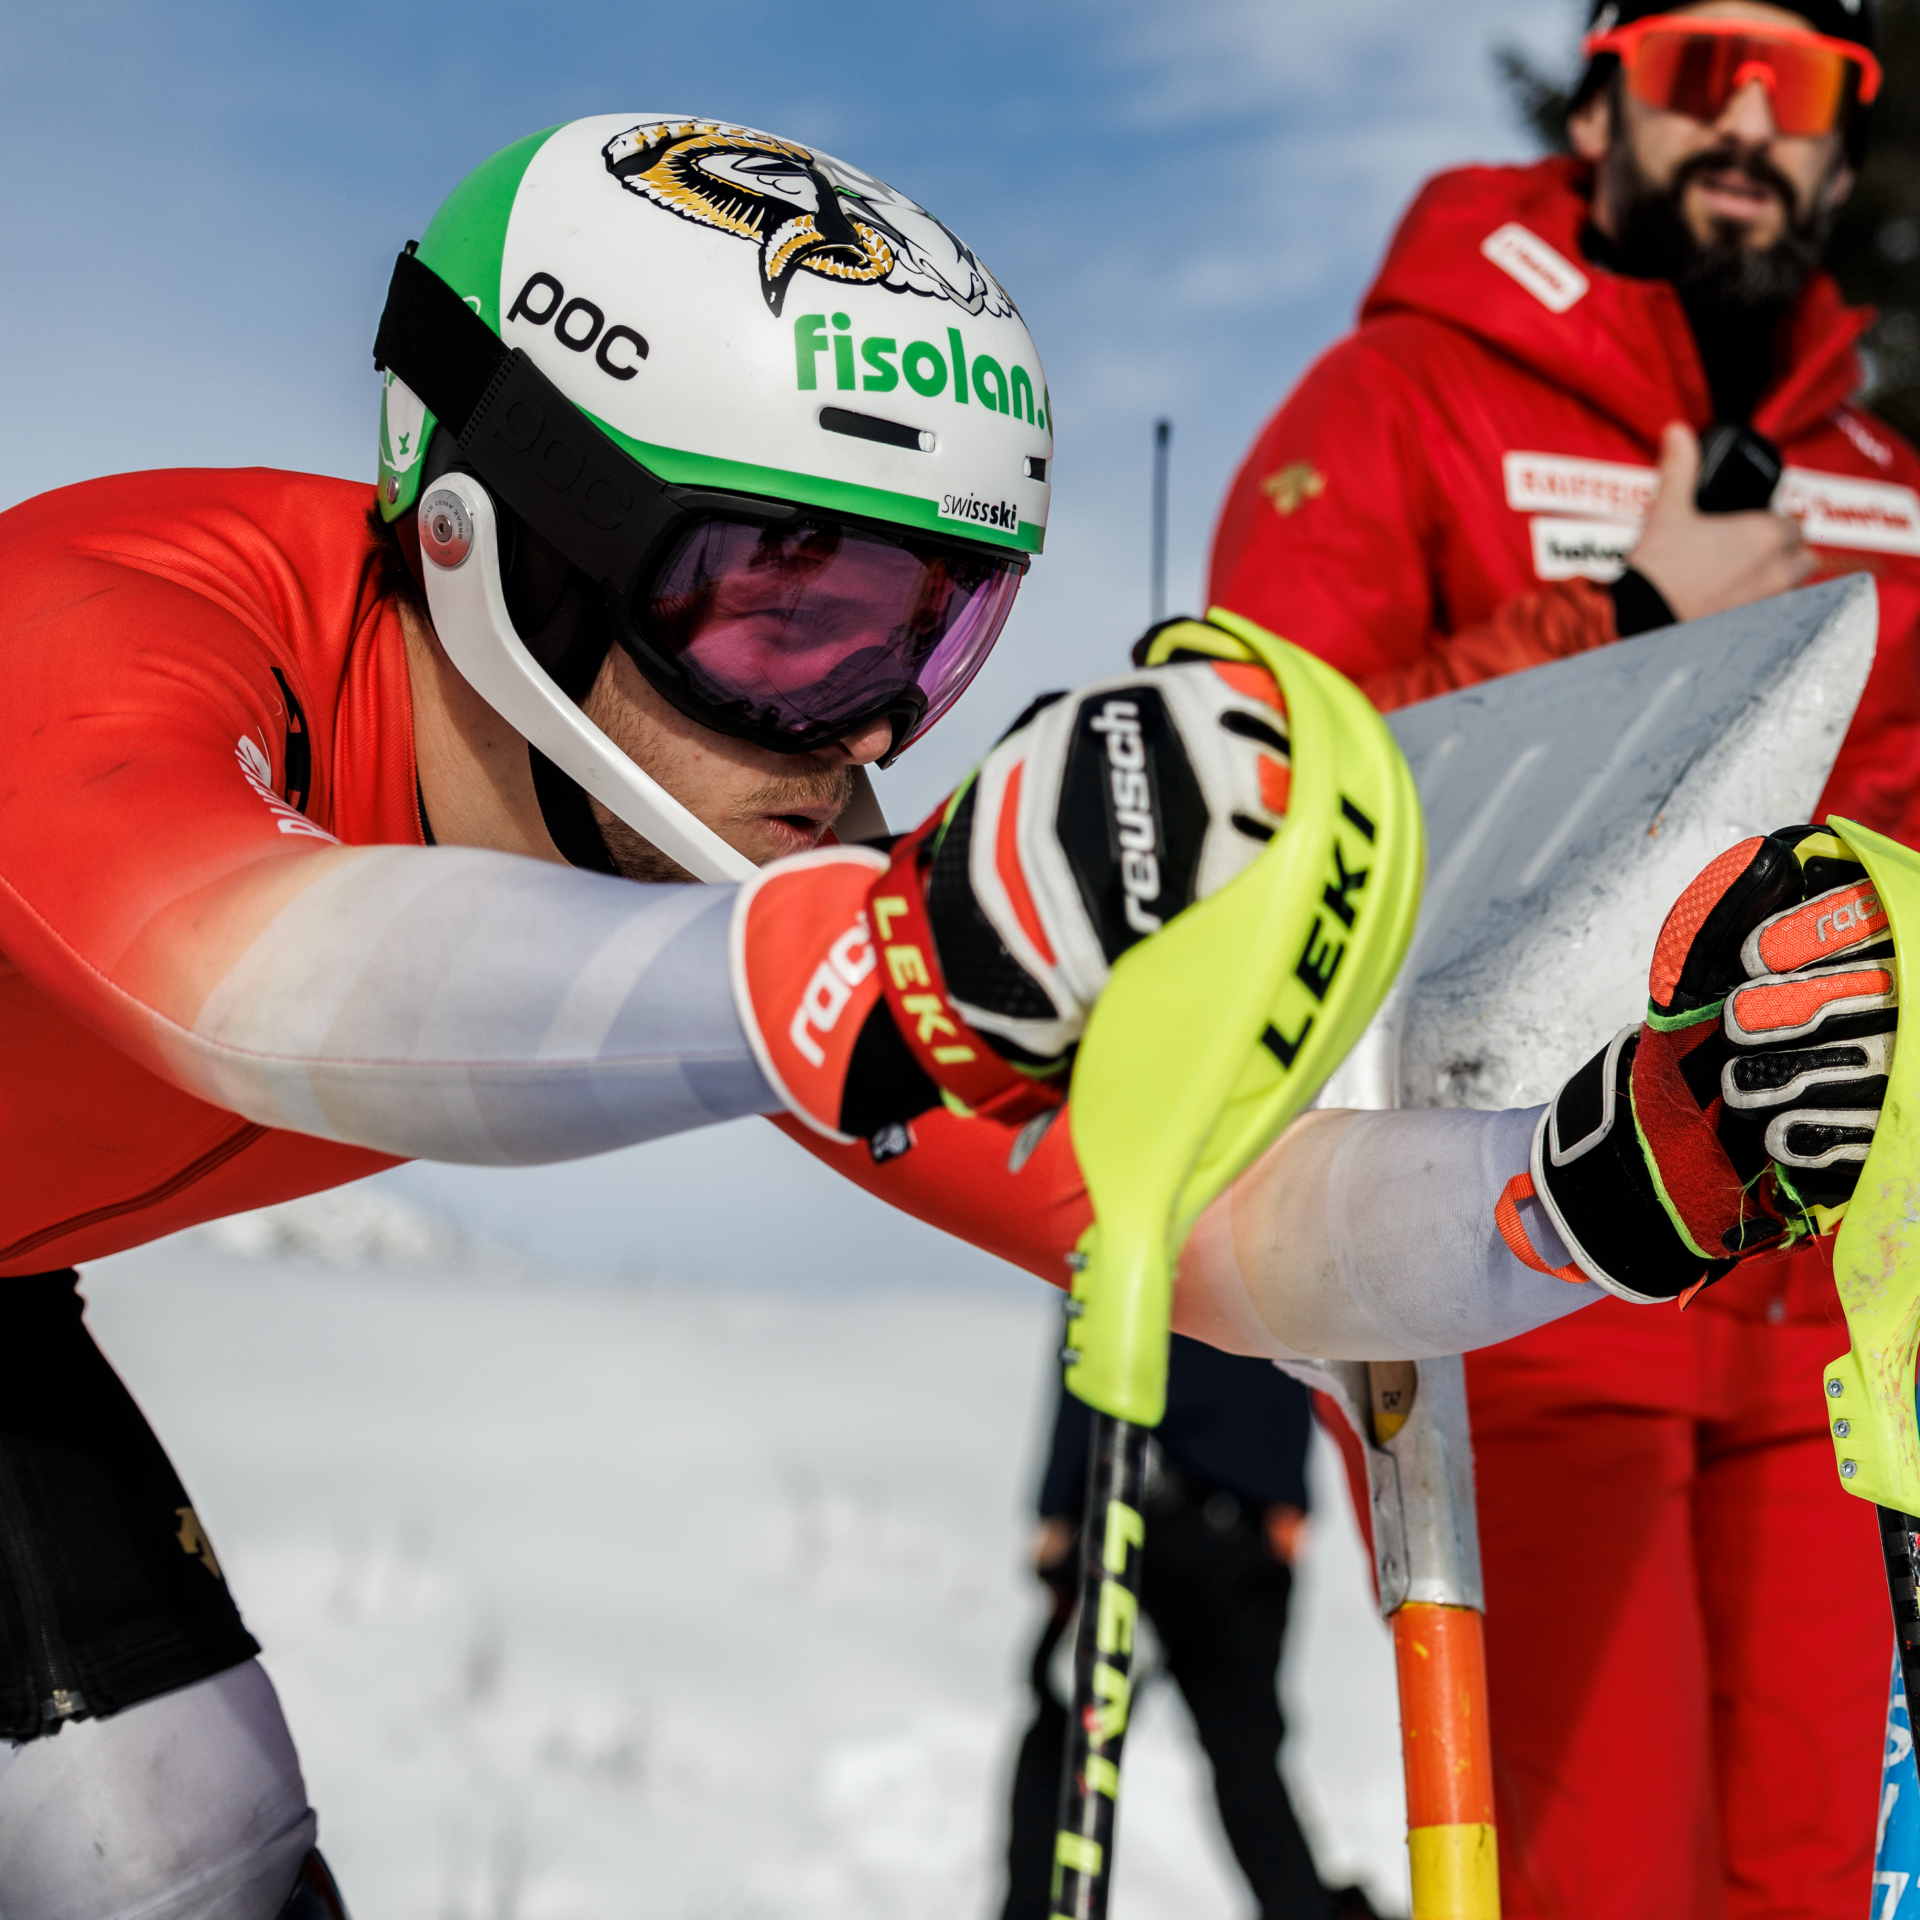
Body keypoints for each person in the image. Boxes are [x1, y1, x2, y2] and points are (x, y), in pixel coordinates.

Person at [0, 106, 1890, 1920]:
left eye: (937, 629)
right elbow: (242, 971)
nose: (872, 728)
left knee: (181, 1859)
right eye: (784, 617)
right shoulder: (112, 623)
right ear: (501, 534)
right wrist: (878, 968)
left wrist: (1617, 1169)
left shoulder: (727, 865)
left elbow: (1220, 1234)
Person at [1205, 4, 1909, 1913]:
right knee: (1608, 1880)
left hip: (1842, 1327)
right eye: (1701, 69)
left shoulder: (1885, 471)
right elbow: (1263, 795)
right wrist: (1624, 613)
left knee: (1836, 1883)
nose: (1750, 124)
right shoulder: (1407, 396)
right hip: (1536, 1245)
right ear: (1604, 93)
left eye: (1805, 85)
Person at [999, 1331, 1341, 1920]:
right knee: (1245, 1757)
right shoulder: (1279, 1241)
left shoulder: (1134, 1237)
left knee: (1070, 1736)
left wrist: (1057, 1507)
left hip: (1136, 1520)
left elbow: (1094, 1341)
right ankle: (1301, 1910)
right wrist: (1285, 1497)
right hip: (1246, 1531)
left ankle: (1035, 1910)